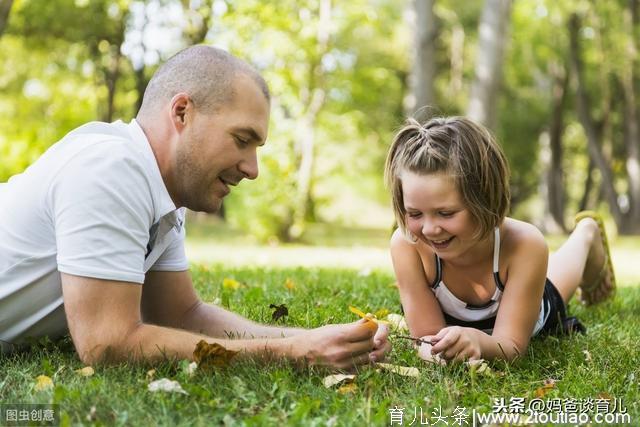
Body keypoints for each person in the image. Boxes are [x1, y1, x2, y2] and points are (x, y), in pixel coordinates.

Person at [0, 45, 390, 369]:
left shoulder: (162, 196)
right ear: (182, 112)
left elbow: (184, 315)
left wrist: (318, 340)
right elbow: (108, 345)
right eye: (242, 139)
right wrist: (292, 354)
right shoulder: (112, 169)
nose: (252, 169)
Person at [384, 116, 616, 363]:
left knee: (560, 278)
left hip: (529, 308)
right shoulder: (407, 245)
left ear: (484, 199)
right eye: (415, 214)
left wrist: (478, 343)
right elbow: (426, 337)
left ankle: (586, 234)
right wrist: (438, 351)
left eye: (446, 213)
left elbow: (512, 346)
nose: (429, 229)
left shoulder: (525, 244)